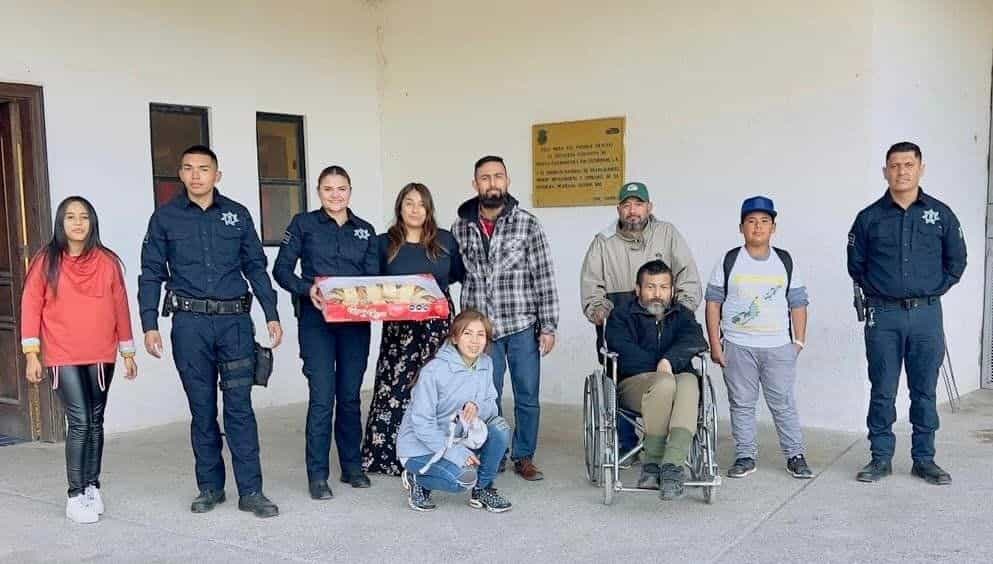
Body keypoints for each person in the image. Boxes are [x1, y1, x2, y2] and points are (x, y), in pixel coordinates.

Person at [139, 145, 284, 518]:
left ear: (217, 175)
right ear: (181, 174)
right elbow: (151, 272)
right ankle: (210, 487)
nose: (196, 175)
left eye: (204, 169)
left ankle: (251, 491)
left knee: (239, 409)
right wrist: (150, 323)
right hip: (189, 326)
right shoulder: (165, 218)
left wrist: (271, 312)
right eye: (188, 168)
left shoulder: (237, 215)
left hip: (235, 324)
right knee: (202, 410)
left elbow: (255, 266)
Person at [847, 141, 966, 485]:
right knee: (882, 389)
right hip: (884, 316)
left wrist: (931, 291)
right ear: (885, 171)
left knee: (924, 391)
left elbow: (956, 261)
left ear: (920, 168)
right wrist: (884, 291)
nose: (901, 171)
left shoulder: (940, 214)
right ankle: (880, 458)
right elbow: (857, 265)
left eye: (908, 165)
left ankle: (924, 459)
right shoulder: (869, 218)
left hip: (927, 315)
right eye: (894, 166)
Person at [20, 196, 138, 524]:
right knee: (81, 421)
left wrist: (127, 352)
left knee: (96, 421)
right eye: (70, 217)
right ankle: (74, 494)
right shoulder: (46, 261)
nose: (77, 223)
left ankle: (91, 486)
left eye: (83, 217)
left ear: (92, 222)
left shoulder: (107, 262)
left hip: (101, 354)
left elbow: (120, 307)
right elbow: (30, 307)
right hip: (62, 354)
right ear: (61, 222)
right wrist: (33, 354)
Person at [273, 165, 378, 499]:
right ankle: (317, 475)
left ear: (350, 191)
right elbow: (281, 270)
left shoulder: (365, 230)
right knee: (322, 397)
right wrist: (307, 290)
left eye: (342, 188)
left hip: (355, 325)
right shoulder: (303, 224)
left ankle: (351, 467)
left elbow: (373, 278)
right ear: (318, 191)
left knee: (349, 396)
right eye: (328, 189)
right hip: (316, 322)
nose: (336, 195)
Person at [452, 155, 559, 481]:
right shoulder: (461, 227)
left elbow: (543, 275)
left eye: (498, 176)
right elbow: (452, 272)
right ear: (475, 184)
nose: (492, 183)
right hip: (479, 332)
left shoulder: (527, 224)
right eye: (485, 178)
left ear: (507, 181)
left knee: (527, 395)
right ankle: (492, 451)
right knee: (486, 395)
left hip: (521, 326)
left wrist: (549, 325)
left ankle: (524, 455)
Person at [581, 181, 703, 456]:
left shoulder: (667, 233)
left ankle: (667, 450)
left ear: (649, 207)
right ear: (619, 209)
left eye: (638, 204)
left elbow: (688, 275)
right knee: (619, 370)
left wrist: (679, 311)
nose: (632, 210)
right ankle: (625, 446)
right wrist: (600, 312)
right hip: (622, 322)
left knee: (680, 380)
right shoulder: (603, 242)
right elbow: (591, 286)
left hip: (666, 320)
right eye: (626, 205)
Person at [704, 196, 813, 480]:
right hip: (738, 346)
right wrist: (716, 343)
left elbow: (798, 302)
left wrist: (798, 342)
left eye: (764, 221)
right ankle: (745, 456)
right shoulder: (729, 260)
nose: (758, 227)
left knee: (783, 403)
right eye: (751, 221)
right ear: (741, 227)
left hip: (778, 347)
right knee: (742, 404)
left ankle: (795, 455)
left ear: (773, 227)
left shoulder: (785, 260)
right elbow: (713, 303)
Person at [361, 183, 464, 476]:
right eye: (409, 203)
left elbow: (456, 274)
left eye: (421, 204)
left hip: (437, 327)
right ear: (400, 207)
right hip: (400, 329)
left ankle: (438, 452)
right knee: (394, 388)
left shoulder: (445, 241)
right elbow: (372, 281)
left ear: (429, 209)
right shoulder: (383, 243)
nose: (415, 209)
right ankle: (386, 456)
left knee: (437, 387)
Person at [605, 260, 707, 499]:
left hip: (675, 376)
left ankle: (671, 466)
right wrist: (659, 366)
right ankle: (652, 461)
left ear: (672, 290)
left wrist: (669, 361)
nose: (657, 294)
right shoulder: (621, 316)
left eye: (663, 287)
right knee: (665, 383)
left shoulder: (682, 314)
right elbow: (622, 350)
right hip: (634, 383)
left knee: (690, 383)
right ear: (637, 289)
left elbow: (695, 341)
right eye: (650, 287)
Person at [396, 309, 513, 513]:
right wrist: (456, 453)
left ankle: (482, 490)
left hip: (458, 437)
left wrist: (477, 406)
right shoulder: (434, 371)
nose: (475, 341)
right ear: (455, 337)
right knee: (463, 480)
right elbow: (422, 425)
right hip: (420, 447)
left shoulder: (486, 363)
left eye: (481, 335)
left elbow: (491, 405)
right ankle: (417, 479)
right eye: (468, 333)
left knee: (500, 427)